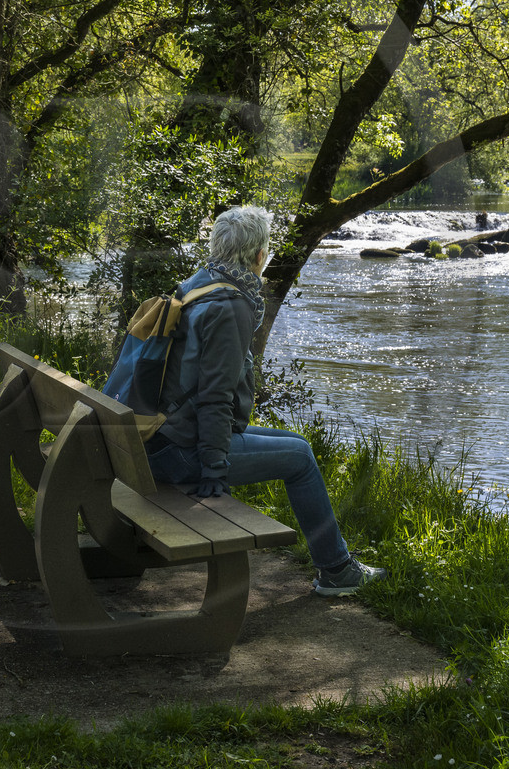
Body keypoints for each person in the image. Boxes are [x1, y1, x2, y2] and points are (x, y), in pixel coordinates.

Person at [144, 205, 387, 597]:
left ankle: (337, 565)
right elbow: (215, 395)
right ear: (259, 255)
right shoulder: (232, 304)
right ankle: (337, 571)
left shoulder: (199, 283)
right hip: (182, 452)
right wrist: (214, 467)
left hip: (163, 436)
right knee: (302, 460)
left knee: (300, 445)